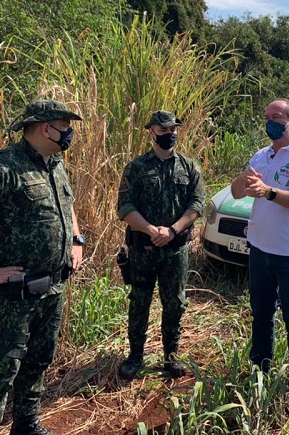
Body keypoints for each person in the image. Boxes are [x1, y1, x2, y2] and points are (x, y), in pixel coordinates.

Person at [0, 100, 85, 435]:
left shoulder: (55, 163)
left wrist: (76, 240)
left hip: (53, 287)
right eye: (65, 126)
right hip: (15, 295)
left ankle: (26, 424)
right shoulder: (4, 167)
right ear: (45, 128)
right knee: (0, 371)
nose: (69, 133)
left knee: (39, 360)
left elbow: (67, 205)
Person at [230, 99, 289, 403]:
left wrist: (268, 191)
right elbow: (235, 192)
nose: (271, 121)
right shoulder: (261, 154)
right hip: (259, 249)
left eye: (278, 117)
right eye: (267, 116)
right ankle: (260, 374)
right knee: (261, 315)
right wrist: (245, 178)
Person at [116, 111, 205, 380]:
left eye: (174, 129)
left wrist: (173, 230)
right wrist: (151, 230)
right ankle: (135, 357)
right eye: (164, 130)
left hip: (175, 250)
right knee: (139, 302)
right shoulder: (137, 167)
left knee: (175, 303)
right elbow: (125, 206)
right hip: (143, 249)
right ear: (151, 133)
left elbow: (197, 204)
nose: (170, 134)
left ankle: (171, 358)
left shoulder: (188, 167)